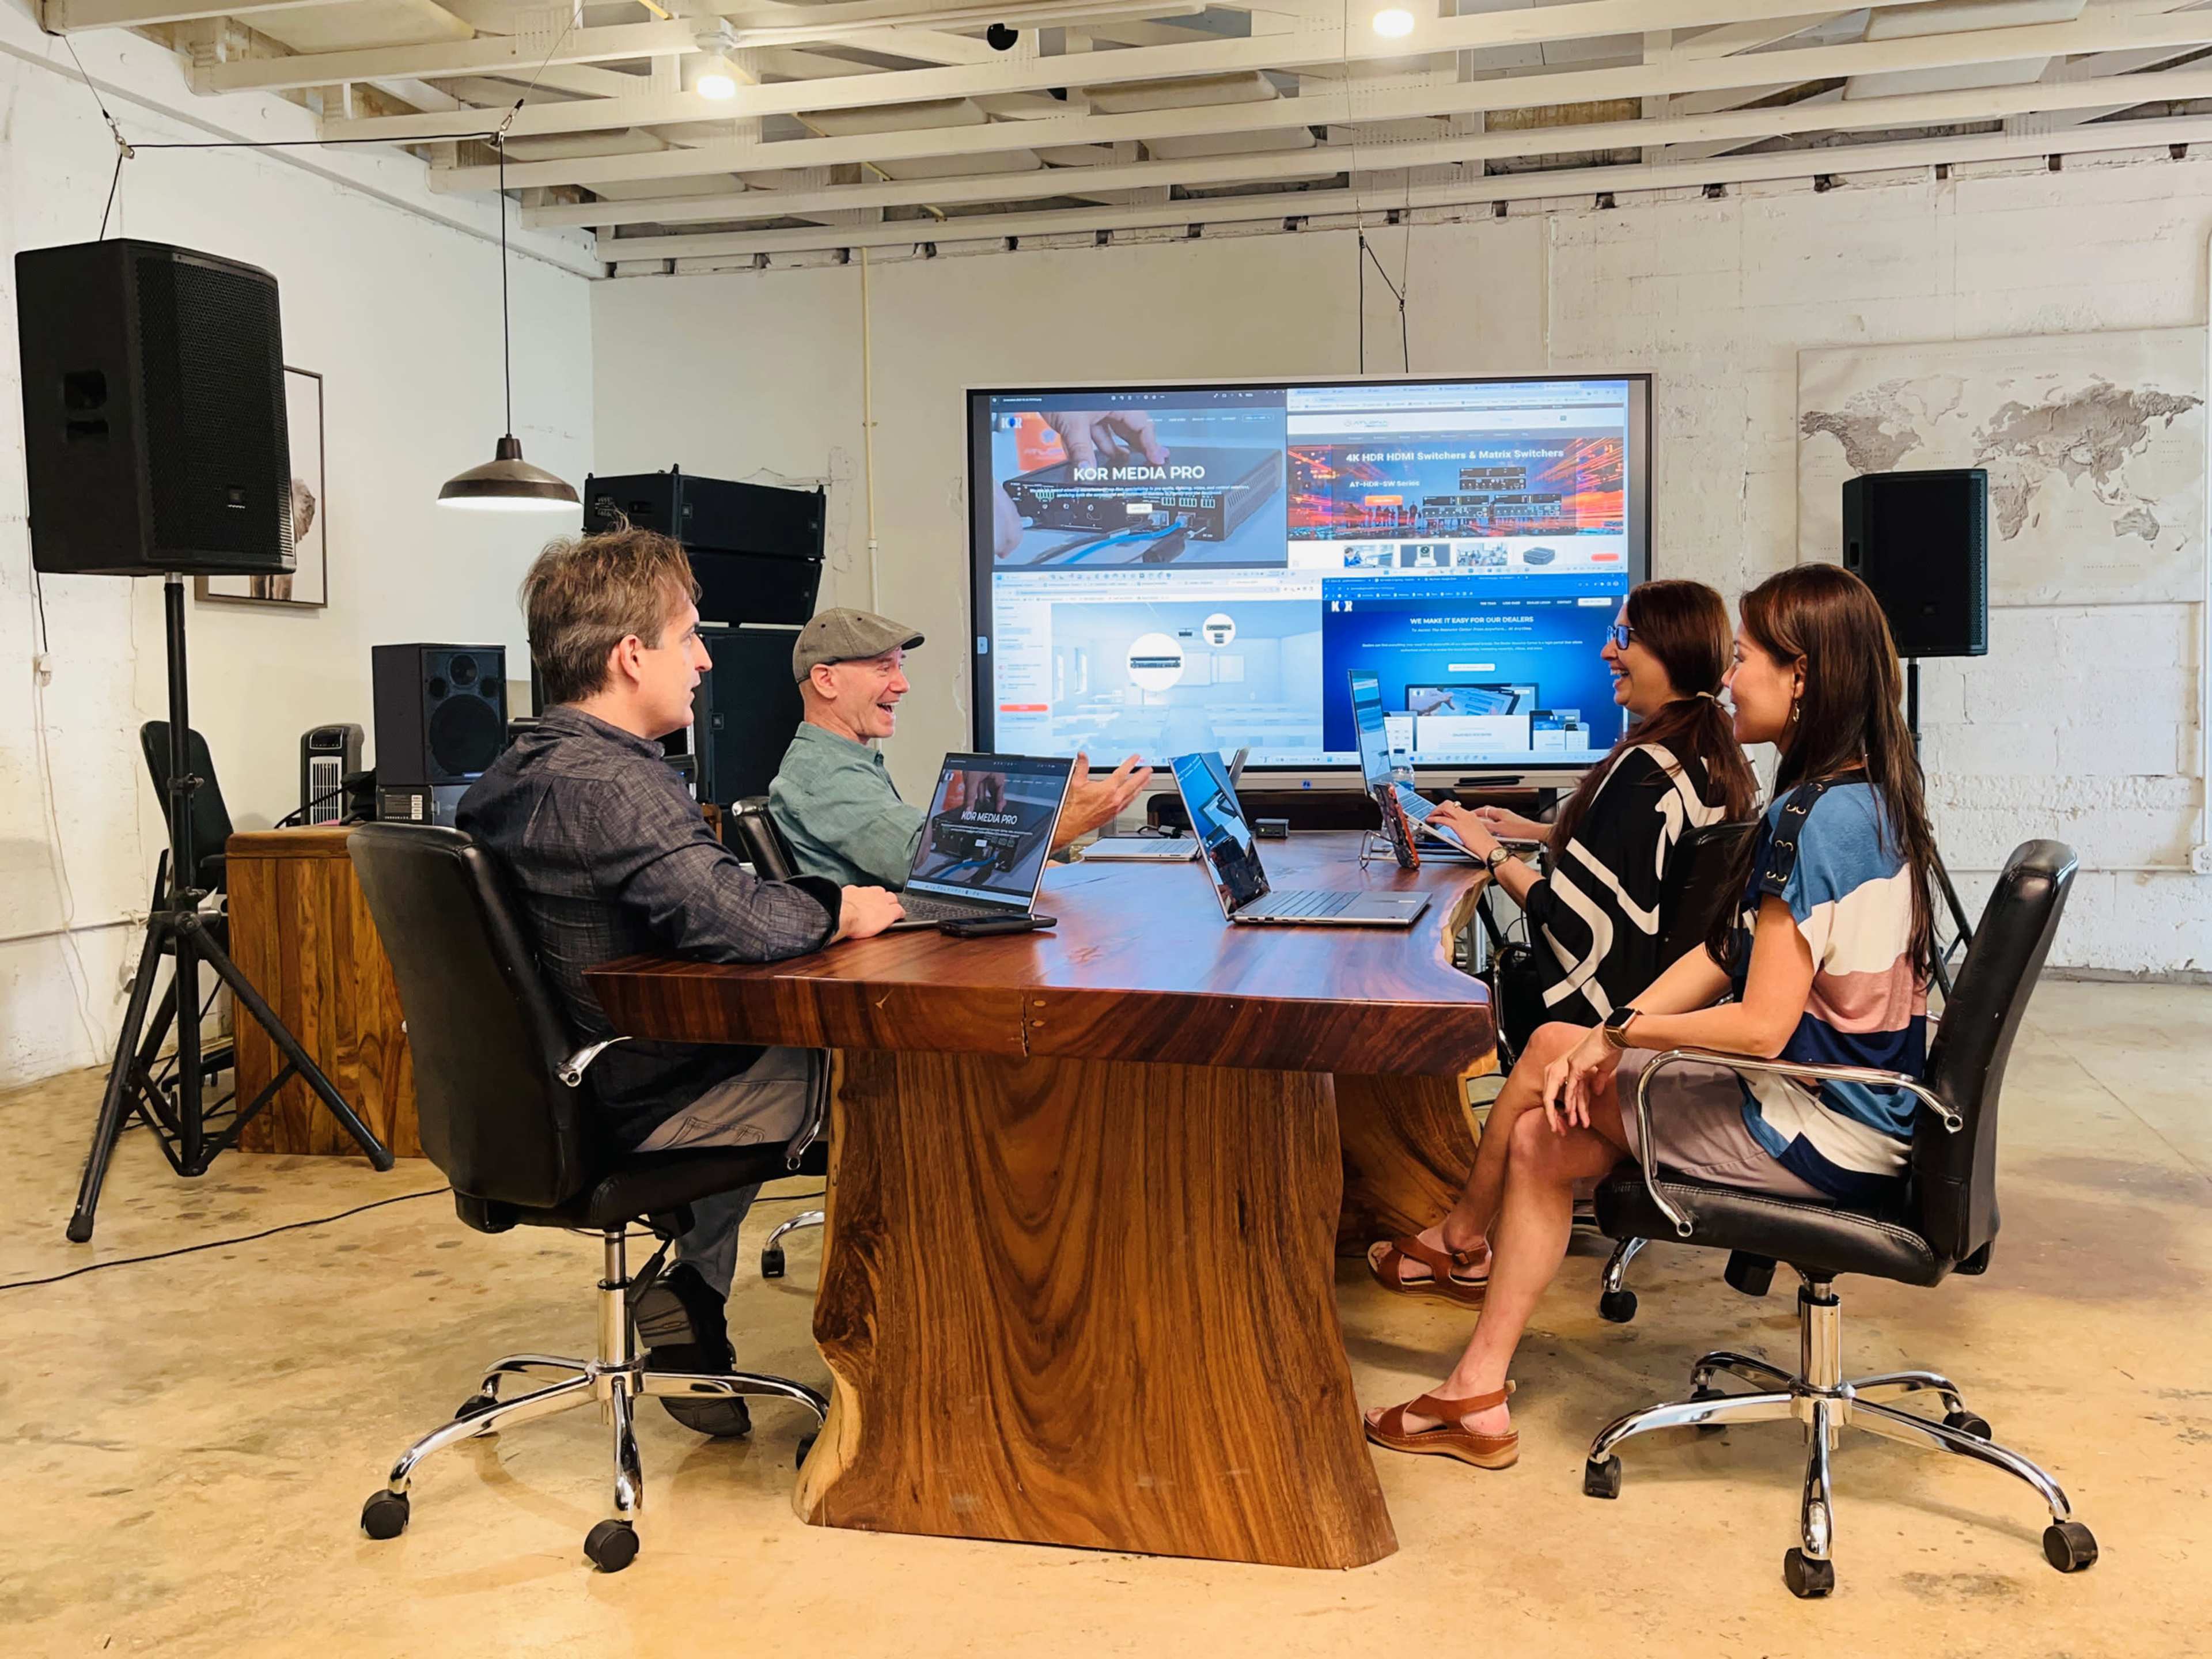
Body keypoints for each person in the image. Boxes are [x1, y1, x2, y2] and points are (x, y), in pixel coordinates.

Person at [1362, 563, 1941, 1471]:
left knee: (1546, 1111)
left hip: (1816, 1125)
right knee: (1551, 1118)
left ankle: (1466, 1323)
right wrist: (1607, 1034)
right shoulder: (1862, 795)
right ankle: (1474, 1389)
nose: (1729, 677)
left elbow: (1756, 1025)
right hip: (1861, 1108)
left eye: (1745, 658)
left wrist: (1622, 1036)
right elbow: (1723, 951)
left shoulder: (1814, 821)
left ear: (1804, 677)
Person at [459, 527, 904, 1438]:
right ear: (631, 656)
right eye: (690, 636)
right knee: (899, 1078)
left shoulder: (515, 771)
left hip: (546, 1094)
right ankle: (907, 1381)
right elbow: (735, 920)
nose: (704, 660)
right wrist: (845, 911)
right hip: (640, 1094)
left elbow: (696, 902)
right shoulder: (613, 786)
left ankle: (693, 1298)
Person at [1433, 578, 1760, 1031]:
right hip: (1681, 1006)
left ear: (1670, 648)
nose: (1608, 652)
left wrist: (1490, 851)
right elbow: (1654, 856)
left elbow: (1571, 921)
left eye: (1624, 638)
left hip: (1616, 1016)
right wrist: (1537, 832)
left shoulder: (1647, 767)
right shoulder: (1718, 748)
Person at [768, 607, 1152, 888]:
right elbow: (927, 863)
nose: (902, 685)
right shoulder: (824, 773)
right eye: (883, 669)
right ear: (826, 681)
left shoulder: (845, 760)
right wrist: (1063, 825)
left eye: (901, 667)